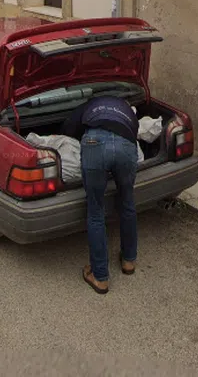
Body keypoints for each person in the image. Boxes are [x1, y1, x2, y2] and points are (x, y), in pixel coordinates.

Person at [62, 93, 140, 294]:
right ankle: (129, 261)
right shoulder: (126, 109)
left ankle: (100, 277)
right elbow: (134, 132)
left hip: (94, 143)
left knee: (96, 211)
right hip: (125, 145)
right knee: (127, 202)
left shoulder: (90, 105)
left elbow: (69, 128)